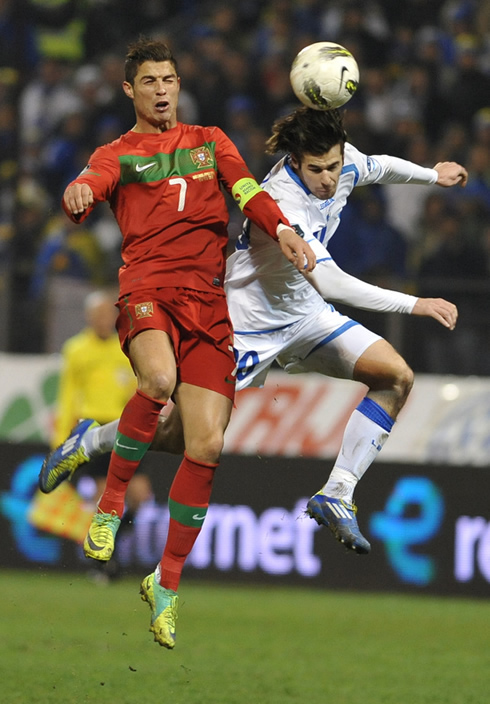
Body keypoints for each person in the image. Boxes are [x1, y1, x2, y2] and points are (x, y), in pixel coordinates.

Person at [38, 38, 315, 649]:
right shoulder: (119, 153)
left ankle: (166, 582)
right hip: (148, 291)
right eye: (150, 81)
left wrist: (284, 231)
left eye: (170, 79)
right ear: (129, 91)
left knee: (207, 443)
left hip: (208, 305)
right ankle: (109, 510)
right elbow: (88, 182)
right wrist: (78, 191)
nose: (162, 89)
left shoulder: (210, 140)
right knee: (158, 383)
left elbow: (247, 191)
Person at [48, 289, 154, 580]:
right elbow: (68, 394)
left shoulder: (125, 346)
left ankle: (108, 551)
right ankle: (105, 564)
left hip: (124, 427)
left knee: (140, 496)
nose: (105, 319)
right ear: (89, 317)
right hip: (93, 429)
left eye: (110, 314)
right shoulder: (76, 349)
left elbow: (137, 387)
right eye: (100, 314)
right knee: (104, 497)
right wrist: (62, 437)